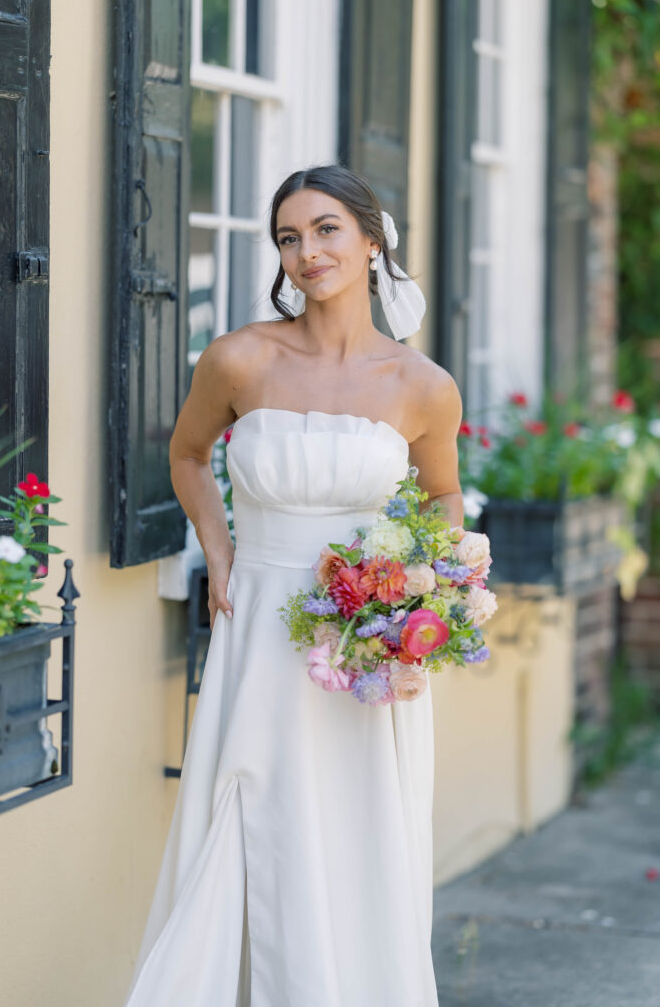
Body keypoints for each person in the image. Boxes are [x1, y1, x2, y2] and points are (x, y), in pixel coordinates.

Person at [122, 163, 463, 1006]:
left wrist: (423, 595)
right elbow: (188, 456)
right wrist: (220, 547)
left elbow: (445, 494)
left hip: (367, 645)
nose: (306, 252)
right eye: (287, 237)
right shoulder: (240, 359)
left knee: (358, 831)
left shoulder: (421, 387)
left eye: (325, 230)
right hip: (262, 624)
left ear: (371, 239)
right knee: (251, 806)